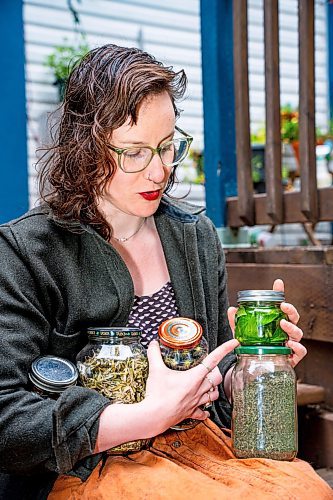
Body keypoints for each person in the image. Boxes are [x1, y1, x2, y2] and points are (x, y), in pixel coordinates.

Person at [0, 44, 331, 500]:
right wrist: (147, 415)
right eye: (134, 153)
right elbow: (9, 422)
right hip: (83, 470)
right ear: (84, 149)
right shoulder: (24, 252)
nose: (159, 170)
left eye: (167, 146)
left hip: (197, 450)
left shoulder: (194, 238)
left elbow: (215, 379)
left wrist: (254, 368)